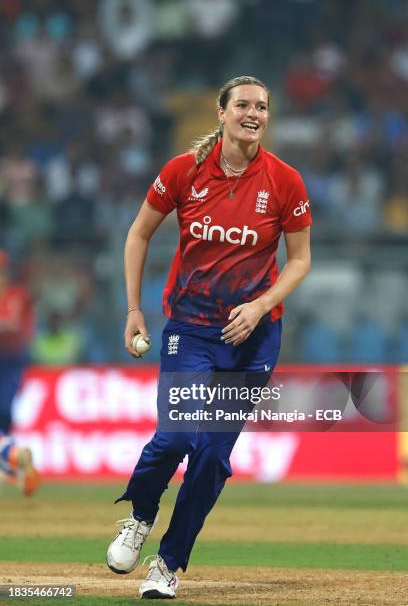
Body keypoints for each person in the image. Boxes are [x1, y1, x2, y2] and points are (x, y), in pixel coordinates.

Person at [106, 76, 312, 599]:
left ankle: (168, 563)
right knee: (176, 436)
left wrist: (261, 305)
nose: (253, 113)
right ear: (220, 112)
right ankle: (141, 515)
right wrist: (133, 309)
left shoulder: (285, 182)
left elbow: (301, 259)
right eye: (243, 104)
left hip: (253, 337)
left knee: (213, 457)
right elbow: (139, 233)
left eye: (262, 106)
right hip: (192, 329)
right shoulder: (184, 171)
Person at [0, 249, 40, 496]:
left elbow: (25, 329)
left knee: (4, 411)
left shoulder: (18, 296)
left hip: (12, 360)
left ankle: (12, 458)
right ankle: (13, 460)